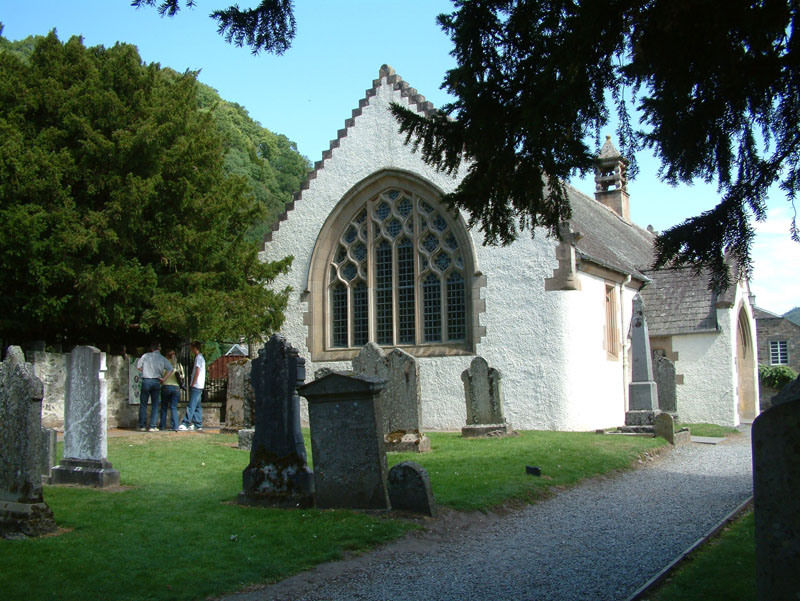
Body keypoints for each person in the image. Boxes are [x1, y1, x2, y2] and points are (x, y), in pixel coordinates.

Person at [136, 341, 174, 432]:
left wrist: (144, 371)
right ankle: (152, 426)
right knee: (155, 404)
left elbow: (138, 367)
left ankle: (142, 425)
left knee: (143, 404)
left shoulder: (145, 356)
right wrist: (164, 379)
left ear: (151, 348)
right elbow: (170, 369)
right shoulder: (162, 358)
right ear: (159, 349)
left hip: (146, 380)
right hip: (157, 381)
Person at [179, 341, 205, 431]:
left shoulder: (199, 358)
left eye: (191, 348)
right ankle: (198, 424)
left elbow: (197, 370)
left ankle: (185, 423)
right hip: (199, 385)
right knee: (197, 405)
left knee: (191, 404)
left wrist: (193, 382)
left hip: (197, 385)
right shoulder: (200, 357)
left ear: (194, 348)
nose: (190, 350)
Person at [159, 349, 184, 432]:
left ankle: (162, 426)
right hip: (176, 387)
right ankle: (175, 426)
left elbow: (161, 374)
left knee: (164, 407)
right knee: (174, 407)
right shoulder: (178, 365)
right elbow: (182, 376)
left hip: (166, 386)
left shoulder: (165, 364)